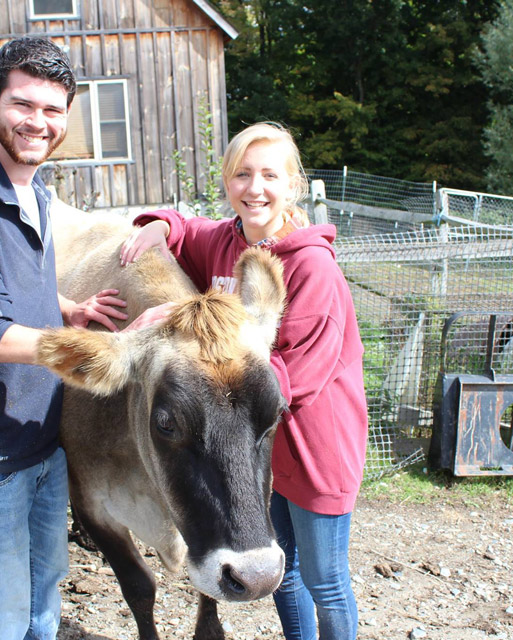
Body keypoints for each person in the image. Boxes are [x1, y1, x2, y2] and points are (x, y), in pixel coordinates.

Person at [0, 36, 167, 640]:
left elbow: (12, 283)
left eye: (53, 110)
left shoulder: (37, 193)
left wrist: (68, 310)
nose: (37, 123)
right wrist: (112, 347)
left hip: (41, 444)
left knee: (41, 605)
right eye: (22, 105)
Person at [120, 122, 368, 640]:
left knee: (326, 580)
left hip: (317, 448)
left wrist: (196, 369)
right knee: (286, 571)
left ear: (293, 185)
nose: (255, 188)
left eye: (269, 175)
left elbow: (294, 374)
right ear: (228, 182)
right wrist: (157, 224)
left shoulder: (312, 267)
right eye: (242, 175)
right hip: (254, 448)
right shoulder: (227, 240)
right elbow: (187, 231)